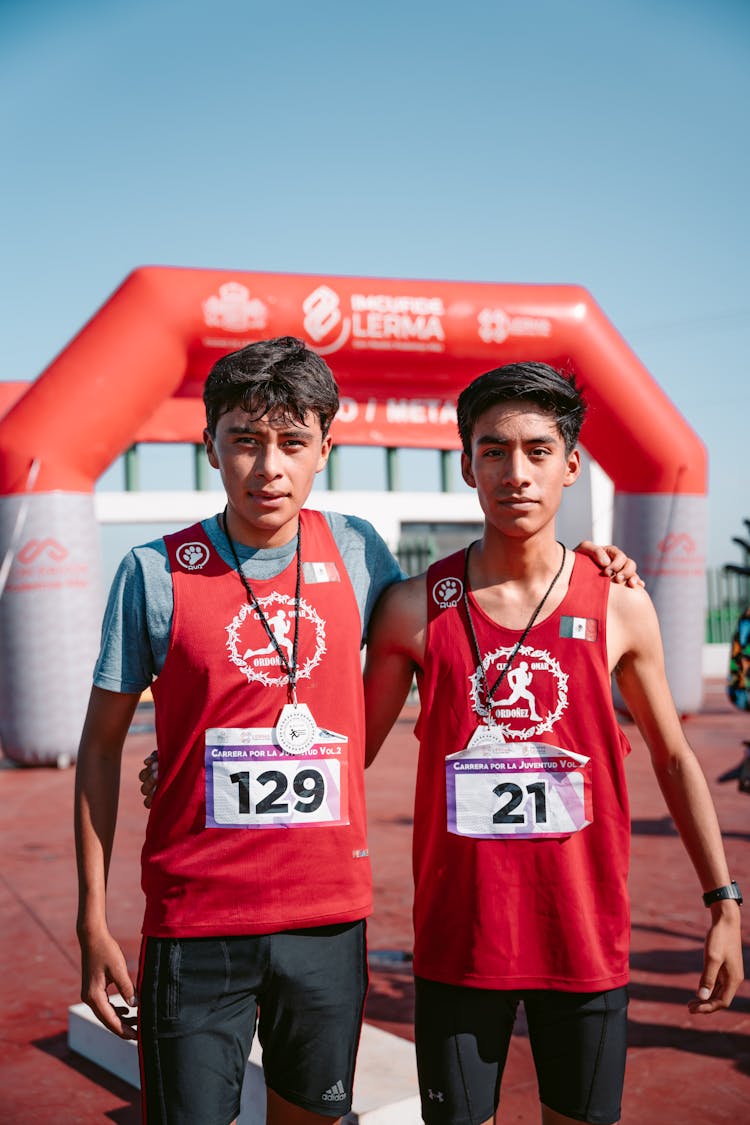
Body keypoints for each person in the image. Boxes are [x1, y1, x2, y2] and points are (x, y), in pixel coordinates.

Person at [76, 336, 638, 1125]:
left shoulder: (359, 552)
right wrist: (91, 917)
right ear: (209, 445)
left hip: (327, 923)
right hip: (197, 921)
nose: (268, 465)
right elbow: (100, 747)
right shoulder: (151, 571)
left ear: (325, 449)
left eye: (293, 442)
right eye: (243, 439)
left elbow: (480, 589)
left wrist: (586, 562)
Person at [363, 361, 744, 1125]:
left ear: (572, 465)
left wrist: (723, 902)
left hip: (583, 942)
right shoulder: (412, 609)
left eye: (539, 450)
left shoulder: (621, 604)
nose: (515, 472)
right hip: (458, 947)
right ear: (467, 463)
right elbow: (341, 756)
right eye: (493, 450)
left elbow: (672, 757)